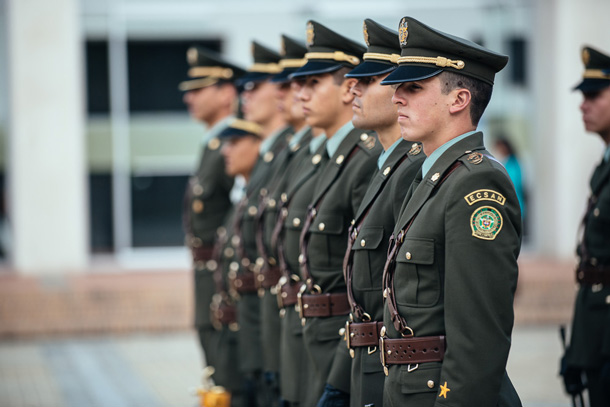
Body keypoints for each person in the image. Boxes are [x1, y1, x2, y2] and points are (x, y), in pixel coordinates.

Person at [379, 16, 522, 406]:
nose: (396, 98)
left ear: (459, 100)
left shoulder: (476, 183)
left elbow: (479, 337)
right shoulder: (431, 178)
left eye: (412, 88)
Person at [289, 20, 382, 407]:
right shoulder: (329, 157)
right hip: (315, 335)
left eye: (313, 83)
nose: (300, 93)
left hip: (342, 343)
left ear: (347, 89)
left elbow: (366, 283)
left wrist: (340, 378)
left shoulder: (364, 160)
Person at [341, 19, 425, 407]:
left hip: (394, 373)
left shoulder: (412, 169)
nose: (352, 88)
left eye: (370, 79)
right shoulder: (385, 167)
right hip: (367, 365)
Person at [252, 34, 312, 407]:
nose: (287, 93)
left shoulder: (348, 158)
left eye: (304, 83)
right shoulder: (294, 153)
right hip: (284, 325)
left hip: (321, 337)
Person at [232, 40, 290, 407]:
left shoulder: (289, 154)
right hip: (264, 331)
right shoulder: (272, 155)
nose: (246, 95)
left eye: (257, 86)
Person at [179, 46, 243, 371]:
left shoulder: (234, 146)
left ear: (226, 93)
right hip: (208, 281)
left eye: (198, 90)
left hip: (223, 284)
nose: (189, 98)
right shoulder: (213, 144)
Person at [561, 45, 610, 407]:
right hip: (595, 334)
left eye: (594, 95)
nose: (583, 104)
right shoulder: (603, 167)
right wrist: (580, 350)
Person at [210, 118, 264, 407]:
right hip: (237, 335)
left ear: (259, 143)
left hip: (255, 338)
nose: (225, 151)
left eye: (235, 143)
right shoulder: (241, 196)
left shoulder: (258, 193)